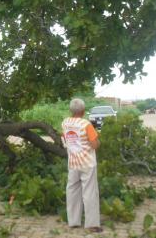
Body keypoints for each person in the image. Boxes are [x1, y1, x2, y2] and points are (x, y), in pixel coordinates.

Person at [61, 98, 102, 233]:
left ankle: (73, 221)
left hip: (73, 163)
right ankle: (91, 224)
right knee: (89, 192)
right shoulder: (86, 124)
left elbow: (65, 139)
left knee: (72, 191)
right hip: (87, 163)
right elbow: (95, 144)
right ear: (83, 111)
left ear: (71, 110)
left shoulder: (65, 123)